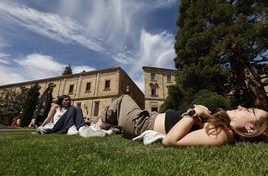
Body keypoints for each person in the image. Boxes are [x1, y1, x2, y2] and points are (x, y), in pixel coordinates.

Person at [97, 94, 268, 147]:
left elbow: (170, 141)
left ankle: (98, 127)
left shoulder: (224, 134)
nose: (240, 107)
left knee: (122, 99)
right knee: (116, 109)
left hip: (142, 124)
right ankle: (105, 125)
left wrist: (195, 113)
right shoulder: (222, 127)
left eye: (249, 110)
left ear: (251, 129)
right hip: (148, 118)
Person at [36, 95, 111, 137]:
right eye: (65, 100)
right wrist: (41, 126)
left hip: (69, 126)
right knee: (73, 108)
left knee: (78, 108)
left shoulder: (70, 109)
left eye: (69, 100)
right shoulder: (56, 107)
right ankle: (72, 128)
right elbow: (48, 119)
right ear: (61, 101)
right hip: (58, 126)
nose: (68, 101)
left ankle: (82, 128)